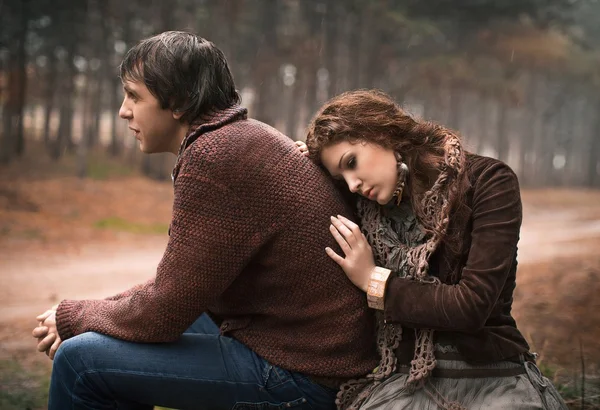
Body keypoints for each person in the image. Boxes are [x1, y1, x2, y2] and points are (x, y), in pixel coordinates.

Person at [31, 31, 379, 410]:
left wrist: (73, 317)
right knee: (110, 337)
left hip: (306, 377)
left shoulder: (214, 157)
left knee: (81, 362)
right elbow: (181, 285)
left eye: (134, 96)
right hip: (306, 351)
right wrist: (90, 314)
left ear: (178, 102)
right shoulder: (240, 137)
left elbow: (162, 313)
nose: (123, 110)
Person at [297, 89, 568, 409]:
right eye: (342, 177)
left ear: (381, 131)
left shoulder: (490, 181)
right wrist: (305, 167)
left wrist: (374, 280)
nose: (352, 183)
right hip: (404, 381)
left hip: (492, 377)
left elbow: (471, 306)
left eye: (351, 163)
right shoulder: (363, 208)